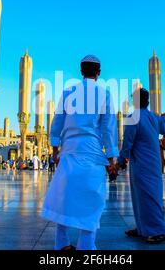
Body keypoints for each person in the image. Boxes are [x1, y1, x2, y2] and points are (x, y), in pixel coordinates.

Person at [40, 55, 118, 251]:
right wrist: (111, 158)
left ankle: (62, 243)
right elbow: (108, 129)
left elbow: (57, 122)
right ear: (98, 73)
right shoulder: (105, 94)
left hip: (69, 150)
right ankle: (86, 245)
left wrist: (55, 150)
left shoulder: (68, 93)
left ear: (81, 71)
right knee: (92, 200)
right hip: (92, 152)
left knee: (64, 198)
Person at [120, 88, 165, 244]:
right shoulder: (153, 117)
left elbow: (127, 142)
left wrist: (122, 160)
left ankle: (156, 231)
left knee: (144, 197)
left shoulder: (133, 118)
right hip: (154, 163)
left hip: (141, 165)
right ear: (147, 101)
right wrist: (164, 117)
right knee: (149, 195)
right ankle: (143, 228)